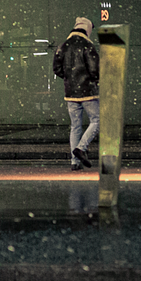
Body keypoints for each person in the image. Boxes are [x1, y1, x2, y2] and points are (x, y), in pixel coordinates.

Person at [53, 17, 100, 171]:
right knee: (97, 120)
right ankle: (81, 148)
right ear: (87, 29)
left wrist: (69, 80)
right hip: (87, 92)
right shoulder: (88, 45)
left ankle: (74, 162)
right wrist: (95, 81)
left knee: (75, 126)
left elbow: (57, 69)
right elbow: (95, 70)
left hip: (70, 93)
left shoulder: (63, 46)